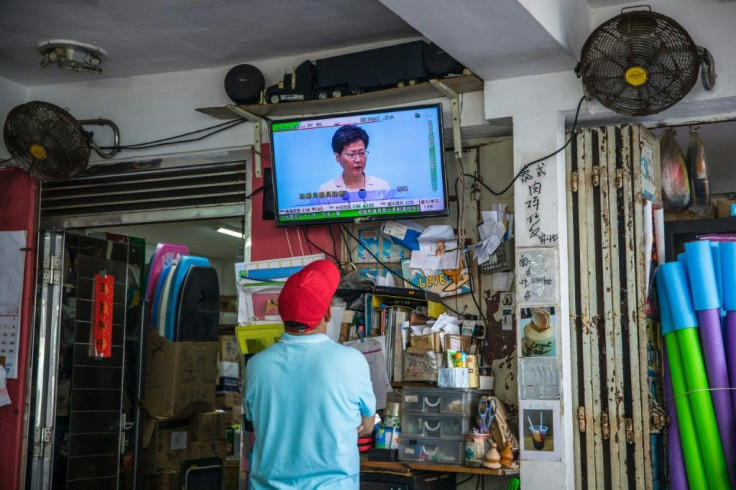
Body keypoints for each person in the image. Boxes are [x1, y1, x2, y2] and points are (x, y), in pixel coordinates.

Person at [244, 259, 376, 489]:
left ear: (282, 314)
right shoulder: (352, 361)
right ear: (327, 314)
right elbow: (366, 424)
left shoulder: (256, 366)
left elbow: (254, 421)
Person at [318, 125, 392, 199]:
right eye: (351, 154)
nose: (358, 160)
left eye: (362, 153)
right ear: (338, 157)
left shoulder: (382, 187)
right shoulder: (326, 191)